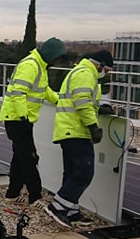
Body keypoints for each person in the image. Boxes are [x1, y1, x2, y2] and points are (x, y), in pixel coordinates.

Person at [44, 49, 114, 227]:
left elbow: (82, 101)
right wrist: (93, 127)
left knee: (72, 171)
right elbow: (82, 102)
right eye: (106, 71)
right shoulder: (85, 74)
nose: (105, 74)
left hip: (69, 129)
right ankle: (58, 207)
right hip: (75, 130)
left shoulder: (80, 72)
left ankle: (72, 211)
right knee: (84, 172)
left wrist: (98, 109)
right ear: (100, 65)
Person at [0, 37, 67, 207]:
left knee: (20, 157)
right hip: (18, 120)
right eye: (57, 58)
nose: (57, 62)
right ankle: (35, 196)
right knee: (30, 158)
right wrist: (24, 117)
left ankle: (12, 194)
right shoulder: (30, 65)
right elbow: (17, 93)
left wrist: (62, 101)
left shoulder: (39, 66)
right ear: (51, 55)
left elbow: (45, 91)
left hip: (21, 119)